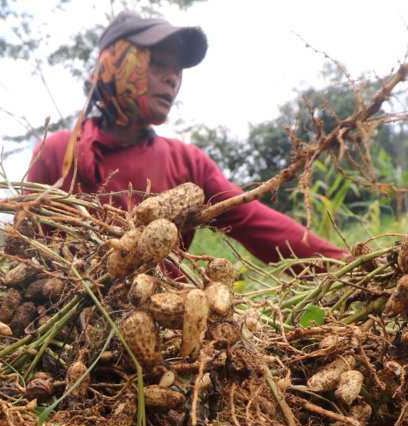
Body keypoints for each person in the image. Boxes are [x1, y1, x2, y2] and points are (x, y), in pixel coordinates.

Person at [27, 11, 348, 265]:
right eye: (158, 65)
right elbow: (25, 245)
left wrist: (346, 264)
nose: (172, 78)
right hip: (75, 328)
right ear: (116, 65)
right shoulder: (57, 153)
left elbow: (255, 223)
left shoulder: (187, 162)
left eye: (178, 70)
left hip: (164, 332)